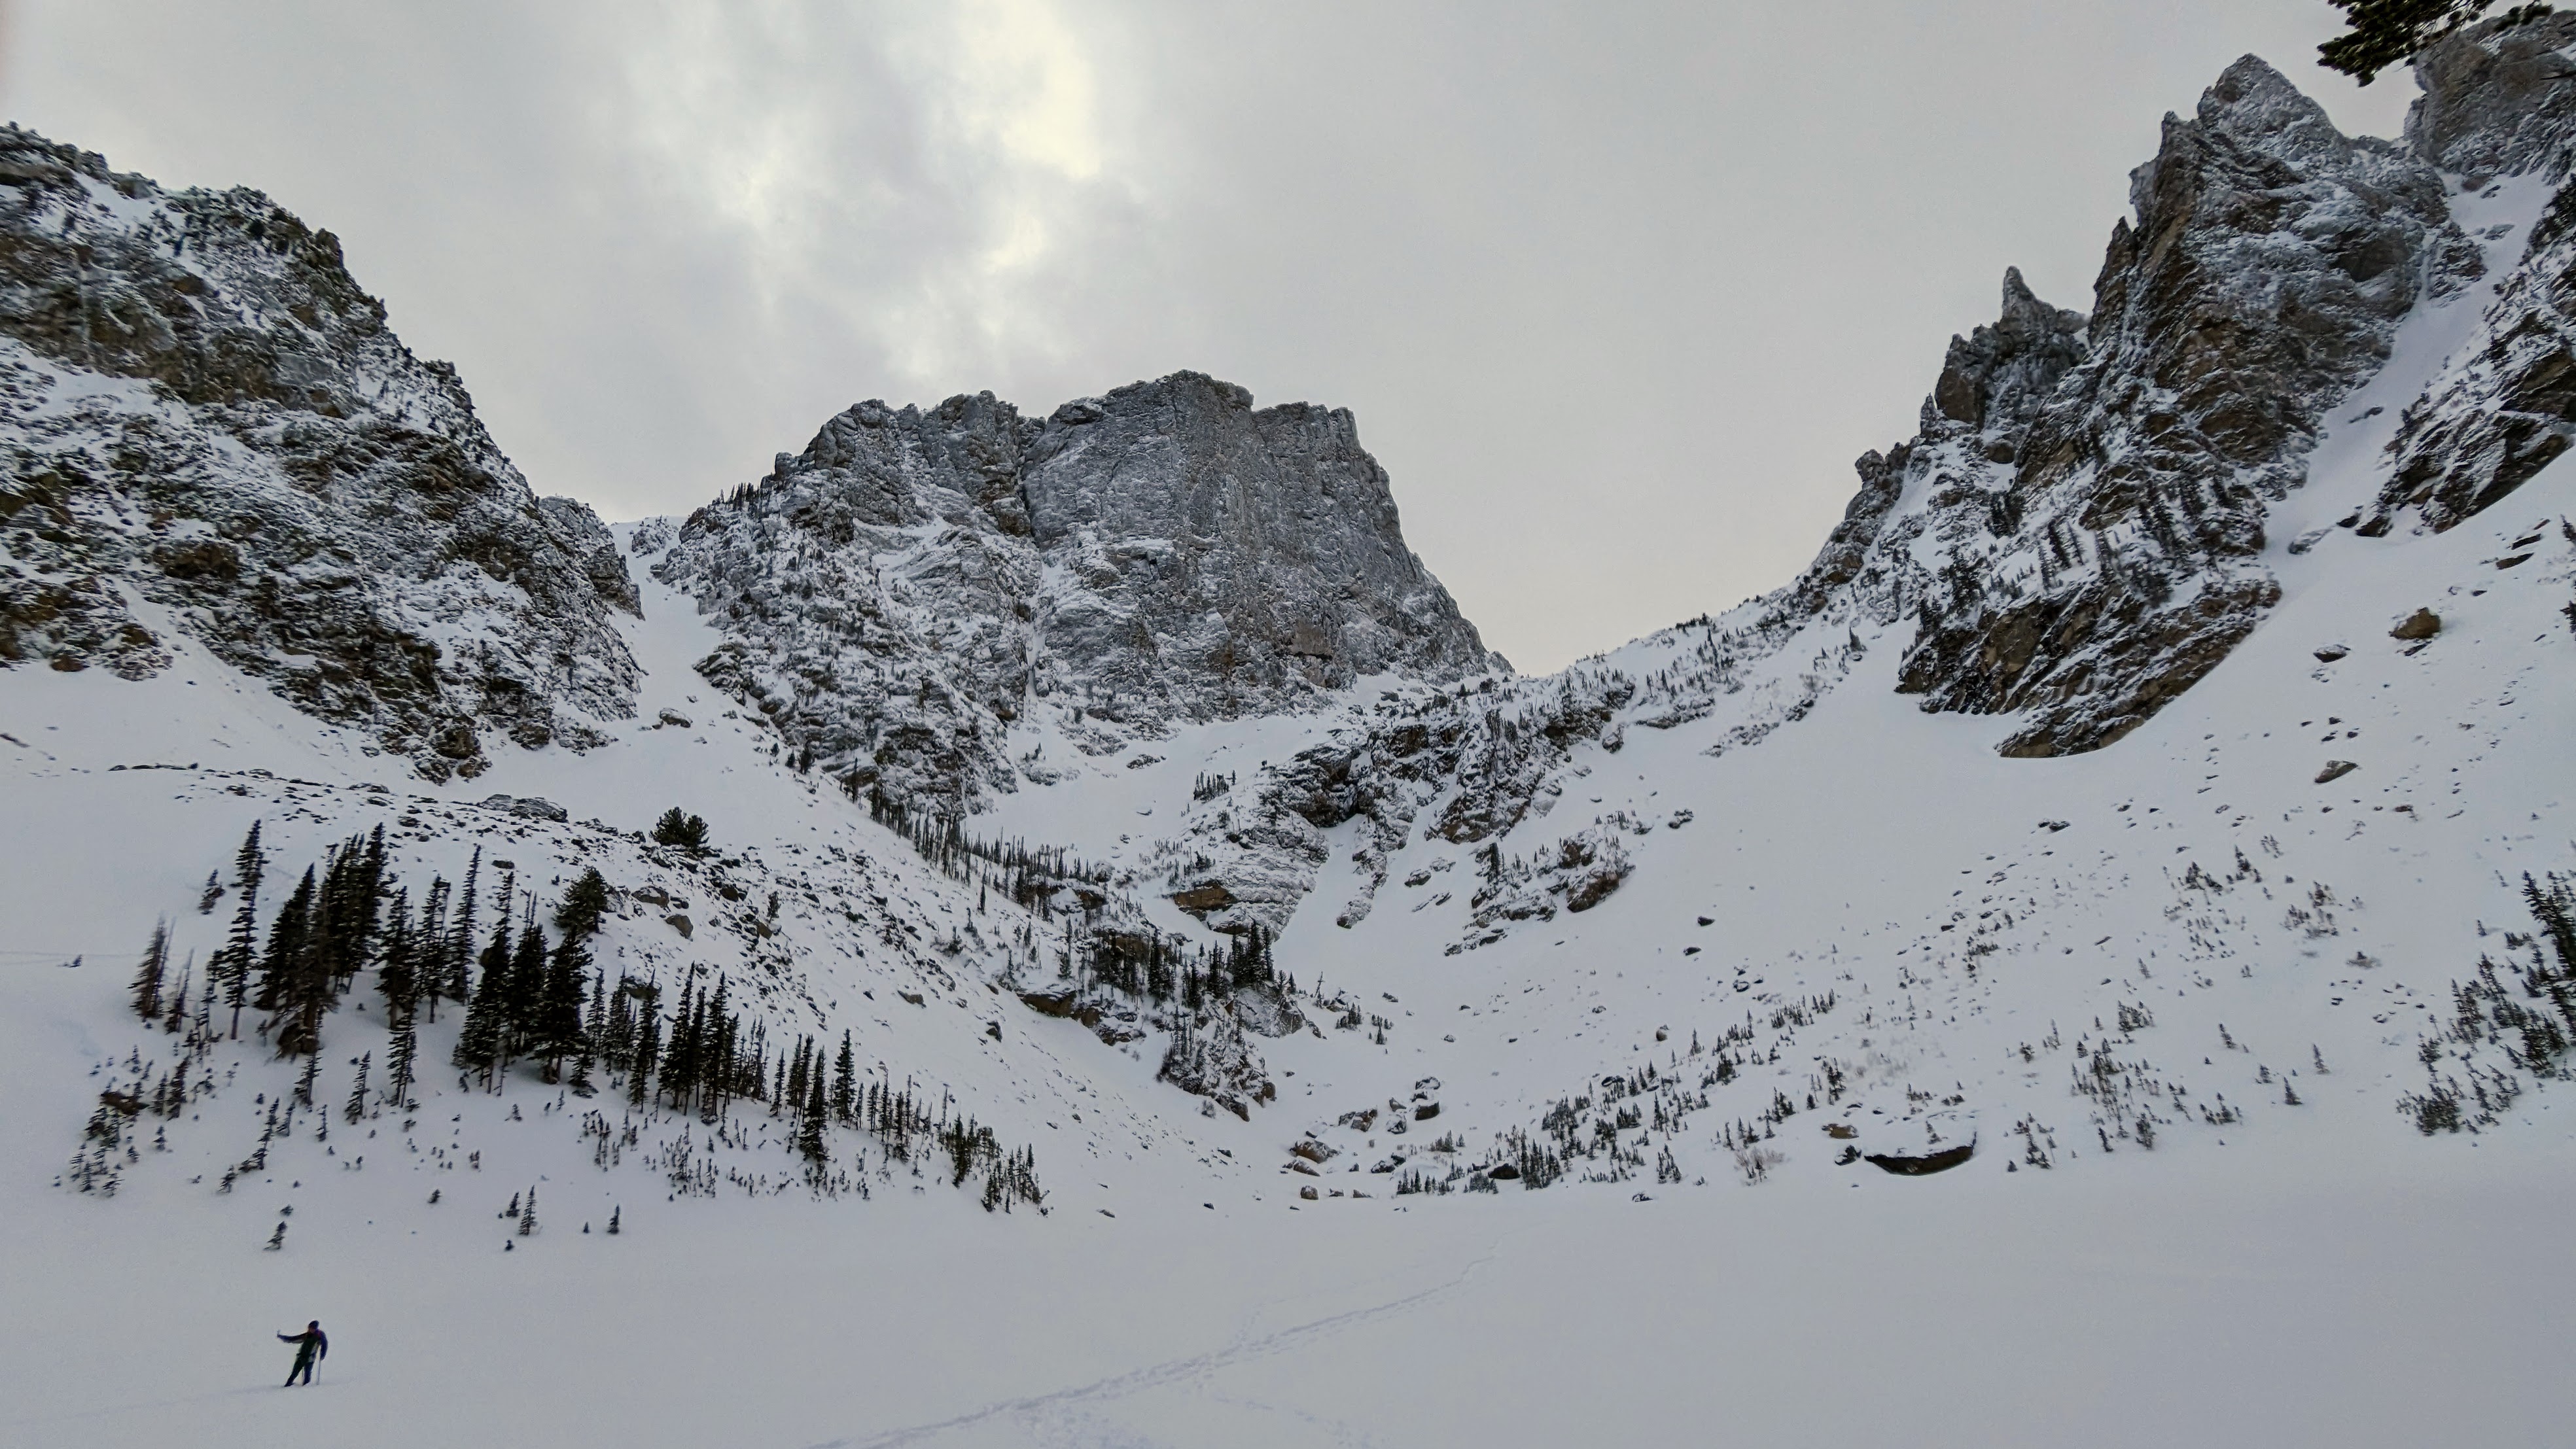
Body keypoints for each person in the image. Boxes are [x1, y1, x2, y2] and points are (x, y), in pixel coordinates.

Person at [277, 1320, 328, 1386]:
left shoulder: (319, 1336)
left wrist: (323, 1354)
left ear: (315, 1329)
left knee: (307, 1374)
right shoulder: (306, 1335)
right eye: (309, 1328)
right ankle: (288, 1385)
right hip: (301, 1357)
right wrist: (282, 1337)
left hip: (310, 1359)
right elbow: (294, 1339)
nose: (310, 1329)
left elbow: (325, 1345)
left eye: (312, 1328)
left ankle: (306, 1388)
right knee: (294, 1373)